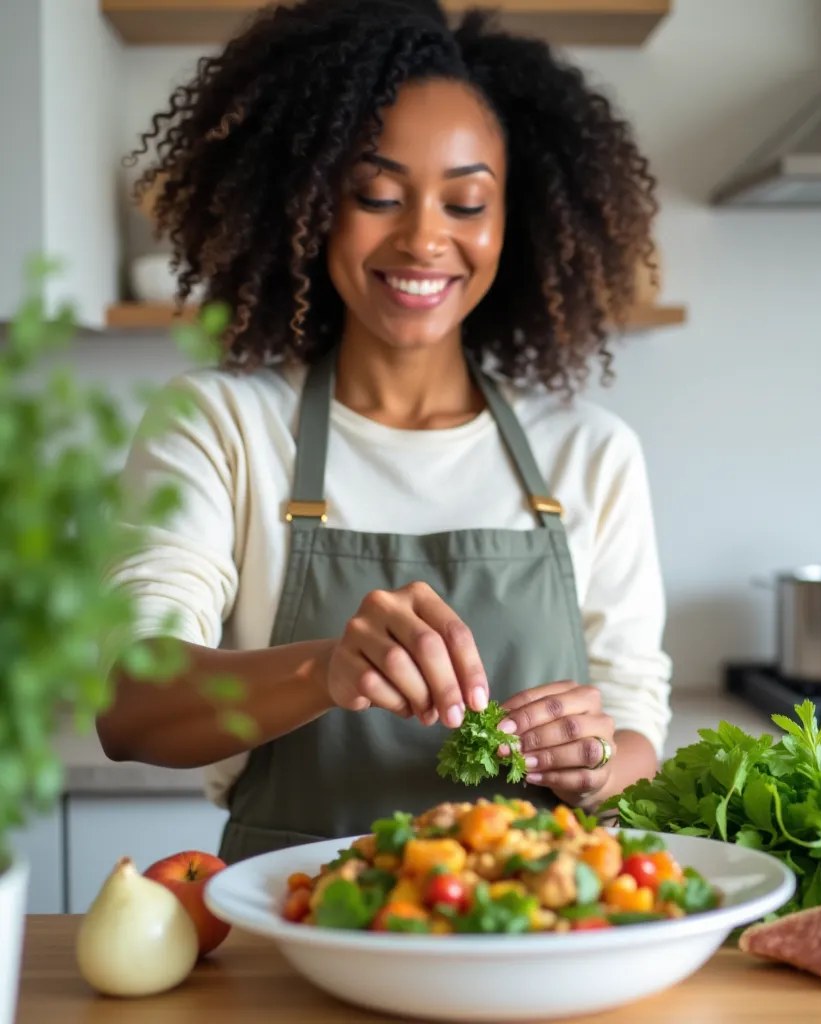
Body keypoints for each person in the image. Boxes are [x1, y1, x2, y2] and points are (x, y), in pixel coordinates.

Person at [98, 0, 672, 864]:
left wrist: (594, 764)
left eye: (467, 202)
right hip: (291, 936)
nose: (424, 238)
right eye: (377, 195)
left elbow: (636, 731)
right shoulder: (223, 425)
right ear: (310, 202)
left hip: (534, 935)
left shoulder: (590, 454)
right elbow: (128, 707)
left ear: (514, 222)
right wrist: (322, 670)